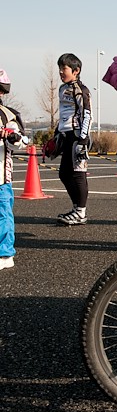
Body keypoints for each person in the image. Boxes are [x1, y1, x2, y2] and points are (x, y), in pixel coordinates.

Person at [55, 54, 92, 226]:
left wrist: (83, 141)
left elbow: (87, 115)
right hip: (66, 135)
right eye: (60, 68)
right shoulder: (62, 88)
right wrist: (57, 133)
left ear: (76, 71)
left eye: (65, 68)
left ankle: (81, 212)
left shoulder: (81, 89)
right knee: (64, 174)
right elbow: (63, 114)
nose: (61, 72)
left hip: (78, 136)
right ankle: (76, 207)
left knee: (78, 174)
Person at [0, 69, 28, 270]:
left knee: (3, 212)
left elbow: (21, 142)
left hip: (0, 175)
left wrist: (12, 138)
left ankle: (5, 253)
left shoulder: (7, 115)